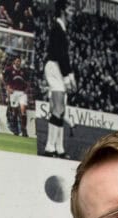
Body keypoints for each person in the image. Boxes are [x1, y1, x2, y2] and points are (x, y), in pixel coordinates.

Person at [42, 0, 74, 158]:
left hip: (56, 67)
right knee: (58, 109)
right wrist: (68, 76)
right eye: (70, 8)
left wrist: (69, 74)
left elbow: (64, 55)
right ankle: (49, 147)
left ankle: (58, 148)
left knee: (60, 110)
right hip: (55, 67)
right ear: (62, 10)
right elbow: (61, 54)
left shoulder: (60, 28)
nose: (72, 12)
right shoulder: (58, 29)